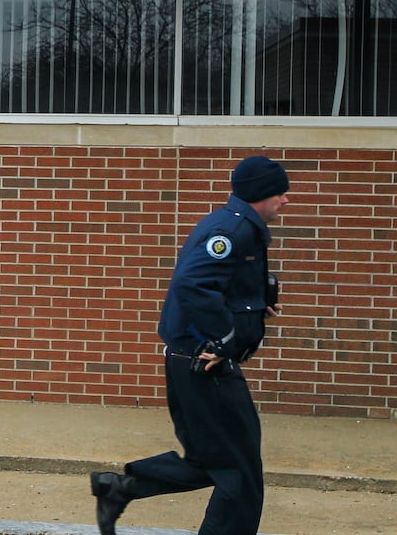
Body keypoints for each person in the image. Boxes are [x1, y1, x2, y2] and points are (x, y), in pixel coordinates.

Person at [90, 155, 289, 535]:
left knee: (210, 460)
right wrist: (225, 338)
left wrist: (253, 306)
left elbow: (216, 286)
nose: (286, 200)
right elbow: (192, 285)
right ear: (261, 194)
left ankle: (120, 488)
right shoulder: (231, 231)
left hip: (194, 361)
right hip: (207, 363)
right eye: (280, 192)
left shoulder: (238, 227)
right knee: (240, 471)